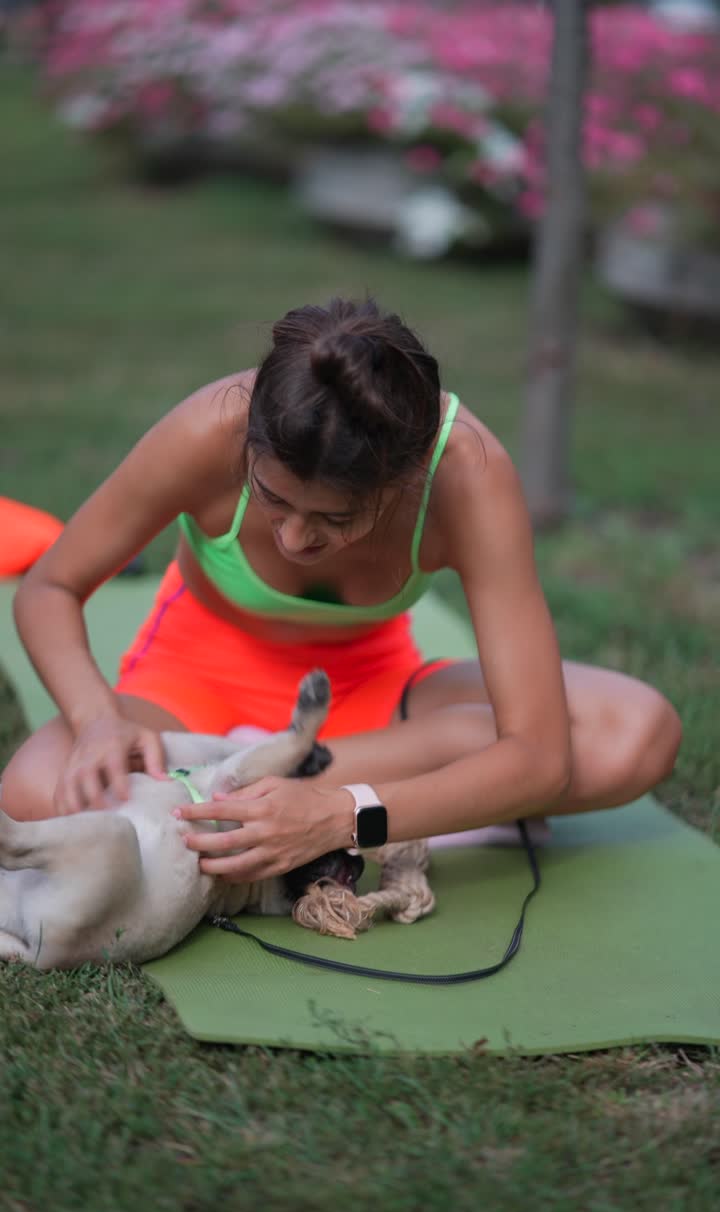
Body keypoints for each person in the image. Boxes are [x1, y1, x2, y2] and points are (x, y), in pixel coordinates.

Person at [2, 297, 681, 885]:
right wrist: (97, 720)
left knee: (635, 735)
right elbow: (50, 586)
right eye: (273, 499)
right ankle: (375, 796)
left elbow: (539, 756)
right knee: (33, 792)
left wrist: (344, 816)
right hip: (192, 692)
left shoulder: (467, 476)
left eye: (334, 519)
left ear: (405, 478)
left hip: (368, 698)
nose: (296, 538)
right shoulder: (211, 428)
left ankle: (241, 801)